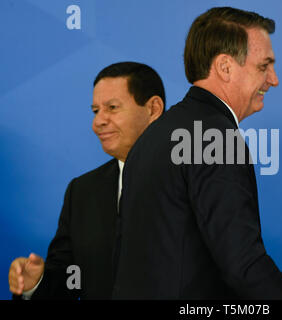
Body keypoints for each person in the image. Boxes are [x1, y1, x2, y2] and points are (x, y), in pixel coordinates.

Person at [113, 7, 282, 299]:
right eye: (263, 66)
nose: (274, 79)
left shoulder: (153, 135)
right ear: (225, 67)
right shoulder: (214, 137)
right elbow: (243, 265)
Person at [8, 62, 165, 299]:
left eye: (112, 107)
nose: (97, 122)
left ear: (153, 109)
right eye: (95, 111)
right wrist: (35, 284)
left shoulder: (201, 181)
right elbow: (69, 281)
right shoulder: (82, 192)